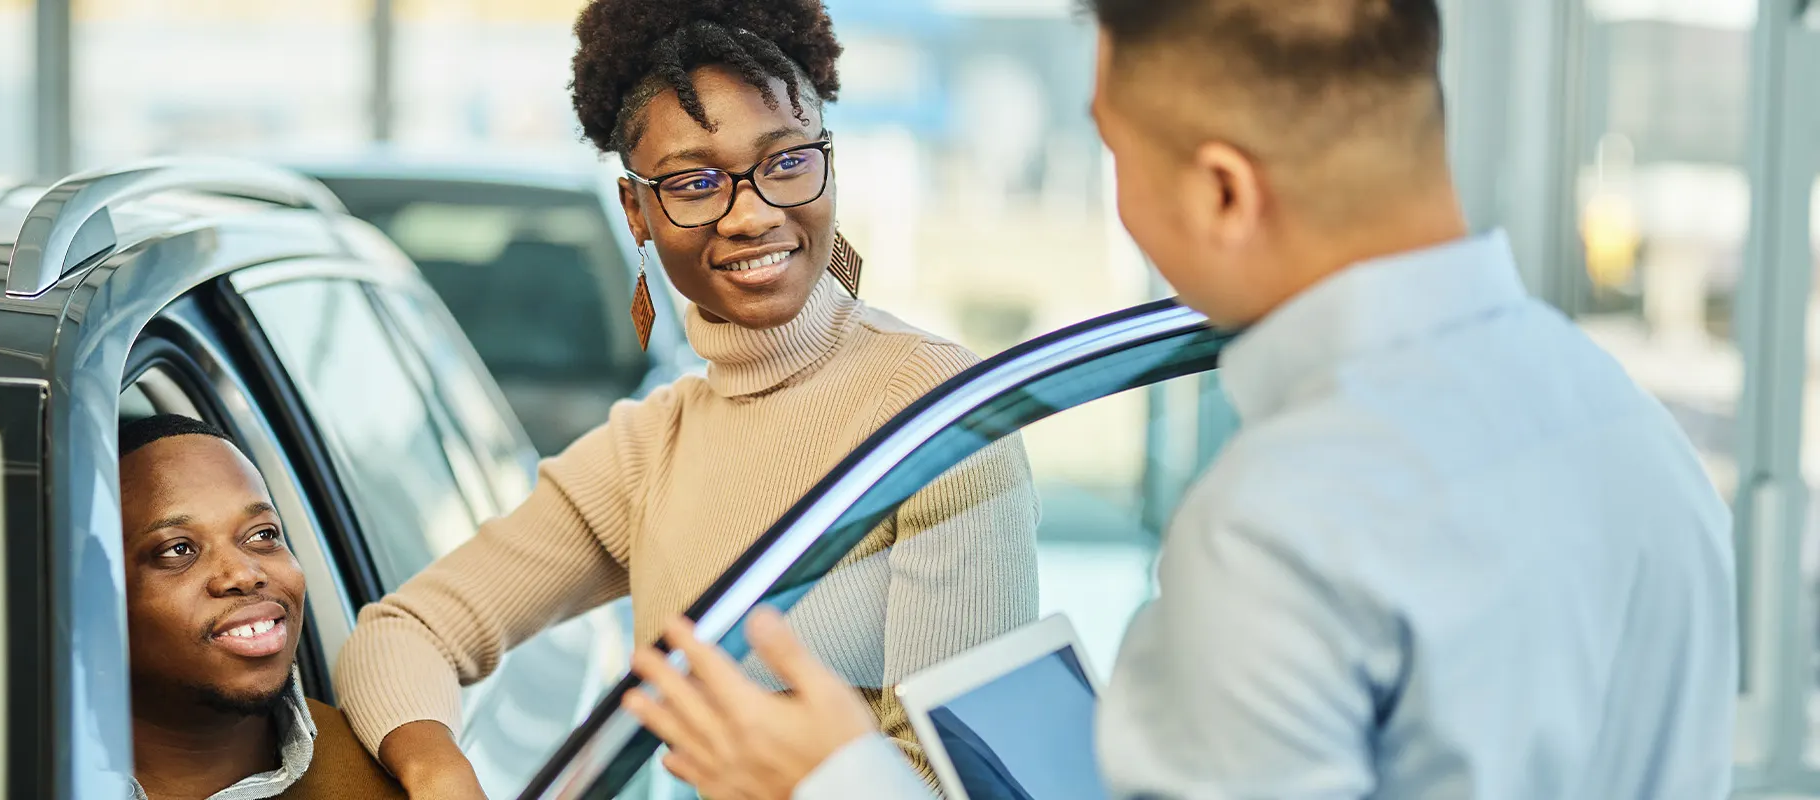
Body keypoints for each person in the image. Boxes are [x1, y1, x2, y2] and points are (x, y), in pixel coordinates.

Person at [621, 1, 1737, 798]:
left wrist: (832, 778)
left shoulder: (1289, 521)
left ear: (1221, 190)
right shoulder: (1627, 425)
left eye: (1114, 150)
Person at [331, 0, 1040, 796]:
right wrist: (438, 772)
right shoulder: (650, 449)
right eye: (695, 182)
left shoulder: (937, 413)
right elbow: (402, 634)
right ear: (637, 210)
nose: (751, 213)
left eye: (785, 163)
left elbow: (964, 783)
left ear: (828, 164)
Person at [0, 414, 405, 800]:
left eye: (261, 534)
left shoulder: (391, 781)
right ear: (89, 599)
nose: (243, 574)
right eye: (178, 550)